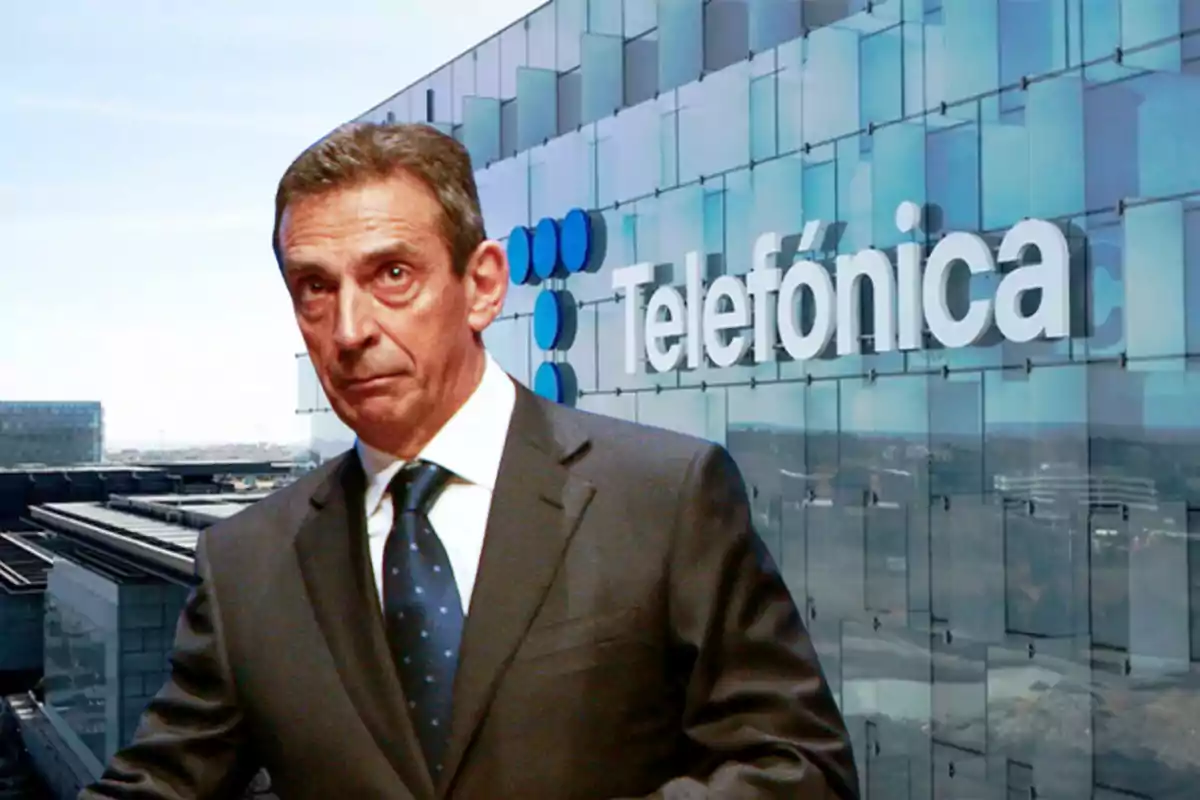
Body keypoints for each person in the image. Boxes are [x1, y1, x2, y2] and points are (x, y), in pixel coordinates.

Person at [80, 123, 860, 800]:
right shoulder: (247, 563)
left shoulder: (664, 497)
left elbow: (799, 772)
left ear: (482, 285)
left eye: (392, 274)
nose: (349, 328)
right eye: (314, 288)